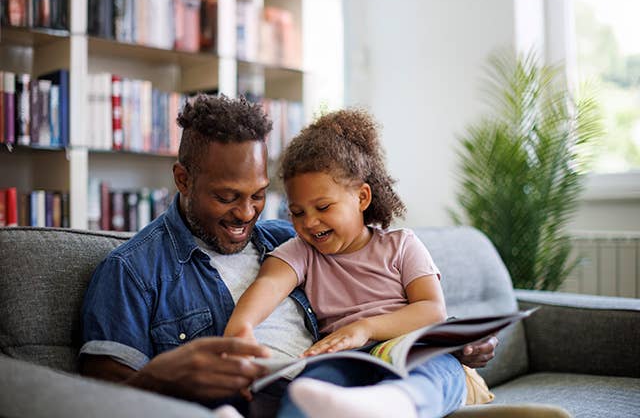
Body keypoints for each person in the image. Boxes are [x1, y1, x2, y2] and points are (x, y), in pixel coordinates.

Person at [79, 95, 498, 417]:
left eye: (258, 195)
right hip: (279, 396)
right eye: (227, 197)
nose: (246, 213)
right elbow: (96, 398)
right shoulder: (132, 271)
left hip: (348, 386)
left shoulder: (292, 237)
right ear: (183, 180)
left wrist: (461, 342)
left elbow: (415, 305)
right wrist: (165, 378)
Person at [224, 108, 469, 418]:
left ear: (362, 198)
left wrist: (364, 329)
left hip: (406, 350)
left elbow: (432, 310)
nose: (310, 223)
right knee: (308, 388)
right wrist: (240, 327)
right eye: (297, 213)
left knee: (443, 371)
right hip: (344, 359)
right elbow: (268, 284)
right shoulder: (303, 252)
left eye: (323, 207)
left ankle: (399, 406)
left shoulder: (402, 246)